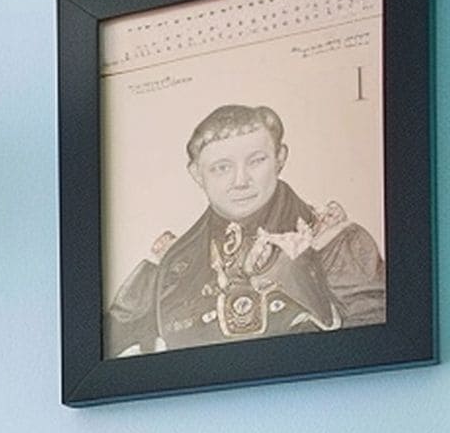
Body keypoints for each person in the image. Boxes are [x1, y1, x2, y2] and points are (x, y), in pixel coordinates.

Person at [105, 104, 386, 355]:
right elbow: (110, 348)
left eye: (256, 161)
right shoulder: (171, 265)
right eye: (221, 168)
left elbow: (375, 348)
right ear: (196, 174)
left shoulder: (334, 242)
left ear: (280, 158)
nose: (241, 181)